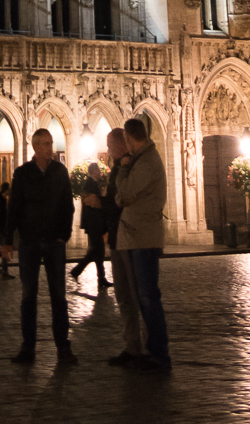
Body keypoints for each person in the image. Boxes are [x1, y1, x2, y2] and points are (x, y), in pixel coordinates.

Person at [3, 128, 76, 364]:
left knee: (59, 296)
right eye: (45, 144)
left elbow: (68, 205)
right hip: (30, 241)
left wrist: (64, 234)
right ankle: (28, 347)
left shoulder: (59, 171)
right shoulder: (23, 173)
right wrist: (7, 240)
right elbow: (14, 208)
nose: (50, 148)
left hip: (55, 241)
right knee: (28, 297)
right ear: (34, 147)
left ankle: (63, 348)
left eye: (51, 143)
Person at [115, 116, 171, 371]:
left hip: (143, 236)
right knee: (143, 295)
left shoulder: (145, 162)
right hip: (137, 234)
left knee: (148, 296)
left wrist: (124, 169)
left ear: (129, 139)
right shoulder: (143, 160)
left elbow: (125, 193)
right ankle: (152, 351)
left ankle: (159, 354)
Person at [102, 129, 144, 366]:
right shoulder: (120, 167)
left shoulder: (129, 166)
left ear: (121, 145)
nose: (107, 151)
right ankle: (132, 345)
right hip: (118, 237)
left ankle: (144, 347)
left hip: (128, 237)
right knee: (123, 296)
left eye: (110, 146)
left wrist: (102, 202)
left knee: (135, 294)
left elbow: (124, 199)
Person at [71, 168, 108, 288]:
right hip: (93, 223)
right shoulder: (90, 183)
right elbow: (91, 202)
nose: (100, 173)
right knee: (97, 250)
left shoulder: (93, 183)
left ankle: (101, 278)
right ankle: (78, 270)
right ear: (93, 171)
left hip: (94, 223)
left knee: (98, 251)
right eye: (97, 170)